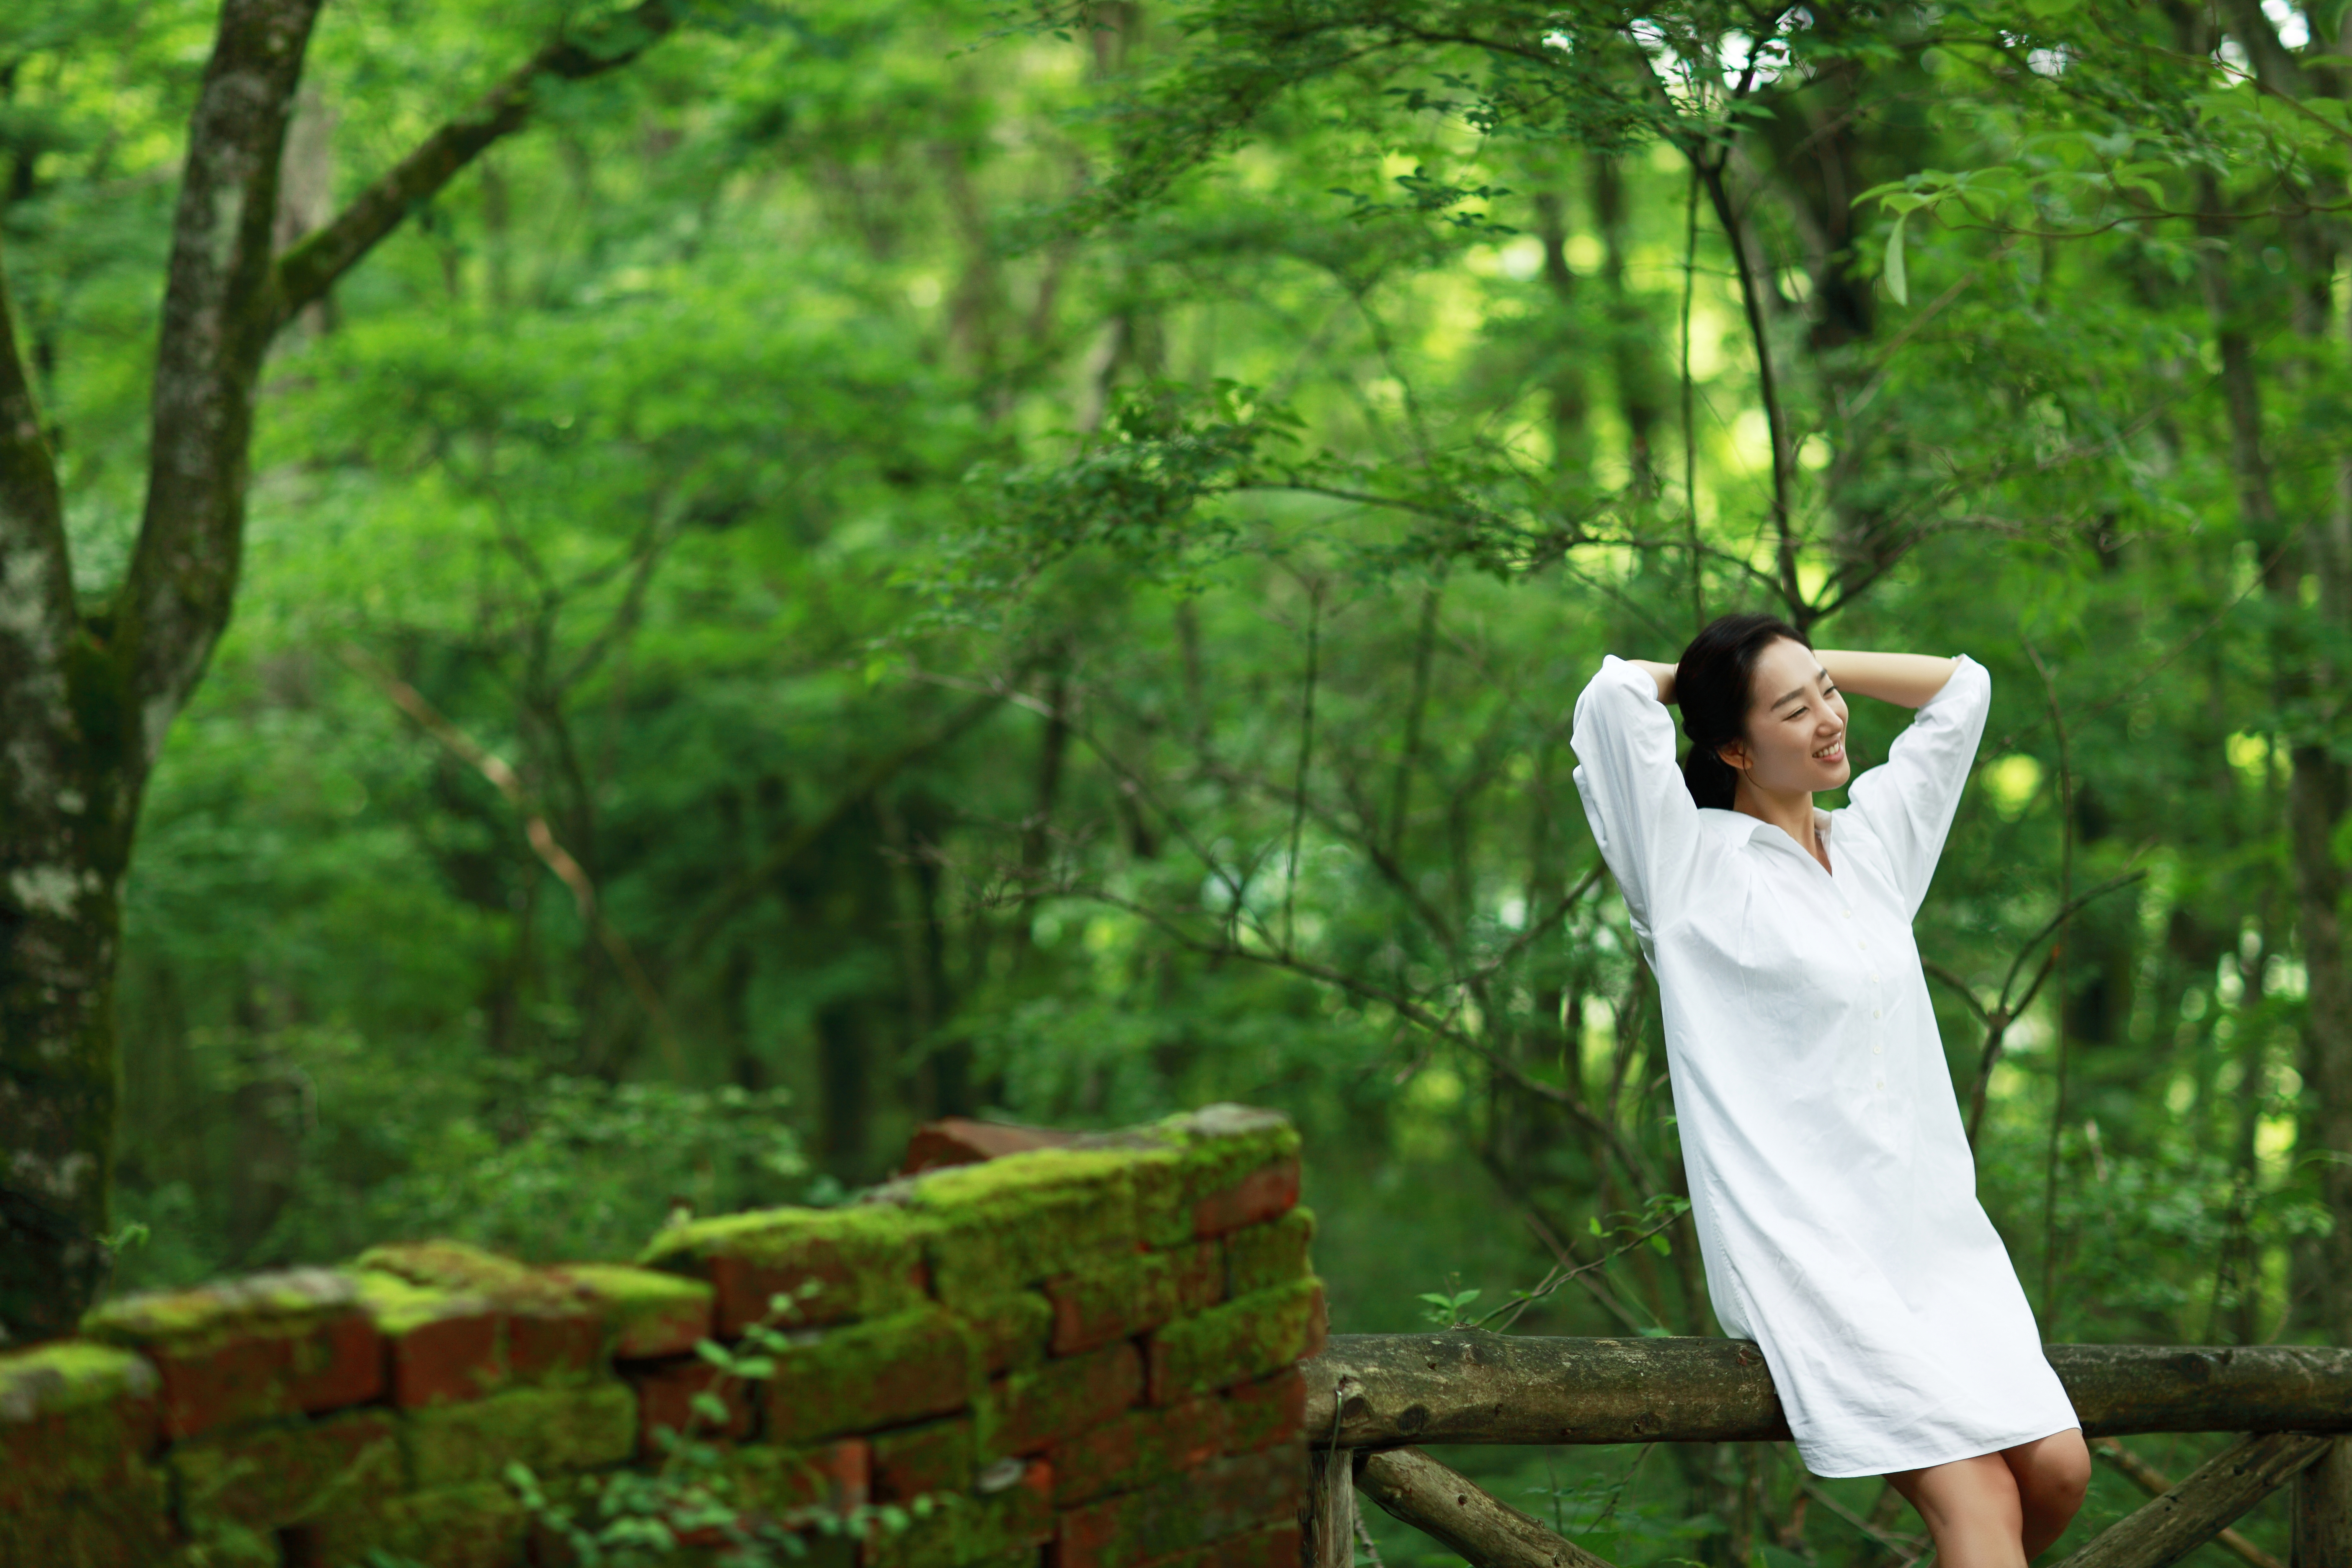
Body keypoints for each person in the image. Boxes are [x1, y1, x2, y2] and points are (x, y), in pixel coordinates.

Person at [1569, 612, 2090, 1568]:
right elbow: (1611, 695)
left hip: (1938, 1248)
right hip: (1810, 1249)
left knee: (2057, 1472)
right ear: (1732, 745)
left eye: (1831, 696)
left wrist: (1792, 666)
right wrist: (1708, 674)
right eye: (1792, 710)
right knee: (1977, 1504)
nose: (1829, 718)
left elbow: (1960, 687)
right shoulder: (1687, 868)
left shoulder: (1876, 850)